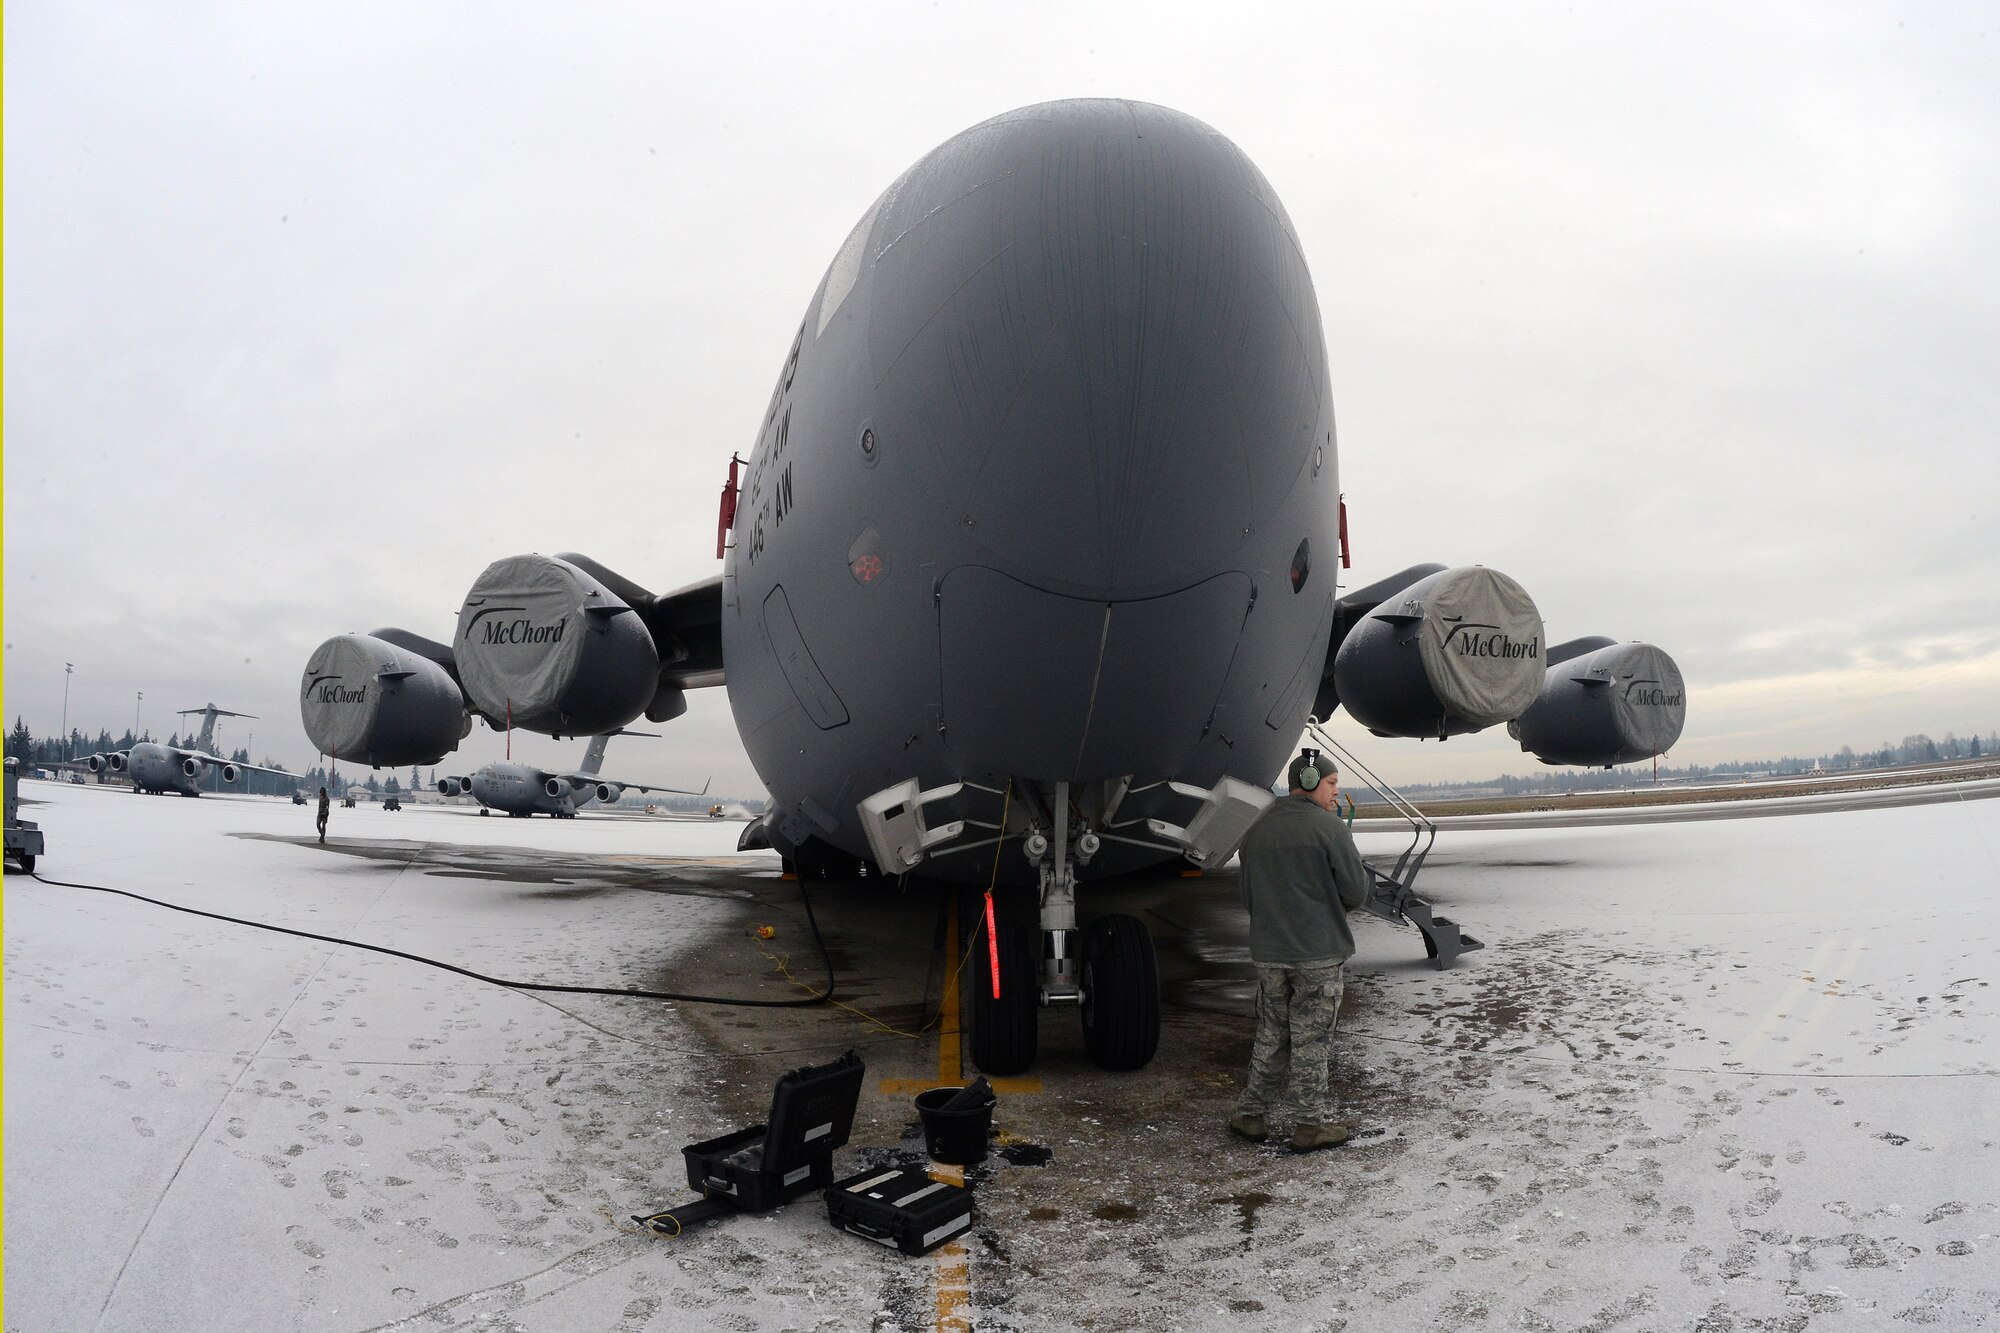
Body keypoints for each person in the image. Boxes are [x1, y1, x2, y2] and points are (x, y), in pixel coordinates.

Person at [1229, 748, 1371, 1152]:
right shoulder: (1330, 828)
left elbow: (1248, 897)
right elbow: (1356, 892)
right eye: (1331, 783)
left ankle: (1251, 1115)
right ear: (1309, 782)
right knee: (1311, 1041)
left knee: (1271, 1034)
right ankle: (1308, 1126)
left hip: (1270, 954)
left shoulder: (1256, 830)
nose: (1336, 792)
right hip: (1318, 955)